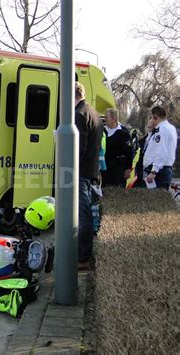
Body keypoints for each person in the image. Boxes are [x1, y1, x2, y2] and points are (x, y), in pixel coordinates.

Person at [74, 82, 103, 270]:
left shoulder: (79, 114)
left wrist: (70, 168)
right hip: (91, 171)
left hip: (80, 172)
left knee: (83, 216)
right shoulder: (93, 112)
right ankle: (83, 254)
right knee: (86, 214)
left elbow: (79, 148)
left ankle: (83, 258)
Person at [142, 106, 177, 190]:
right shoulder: (171, 128)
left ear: (155, 116)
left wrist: (153, 171)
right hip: (164, 169)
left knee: (155, 199)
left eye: (151, 117)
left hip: (159, 171)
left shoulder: (162, 130)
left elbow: (161, 152)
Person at [101, 108, 134, 187]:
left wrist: (128, 169)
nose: (105, 119)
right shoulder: (102, 130)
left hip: (119, 168)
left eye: (106, 117)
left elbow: (129, 152)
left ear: (114, 119)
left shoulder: (124, 132)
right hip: (105, 167)